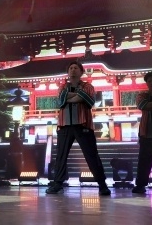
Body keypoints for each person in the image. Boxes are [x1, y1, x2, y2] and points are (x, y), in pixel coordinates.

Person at [46, 60, 111, 196]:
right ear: (68, 72)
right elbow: (60, 101)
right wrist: (77, 96)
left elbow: (89, 100)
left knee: (91, 155)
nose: (73, 70)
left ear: (81, 72)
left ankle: (102, 184)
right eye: (71, 68)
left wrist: (69, 97)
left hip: (83, 124)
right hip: (65, 125)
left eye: (76, 68)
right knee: (61, 156)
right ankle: (58, 183)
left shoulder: (88, 86)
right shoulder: (62, 87)